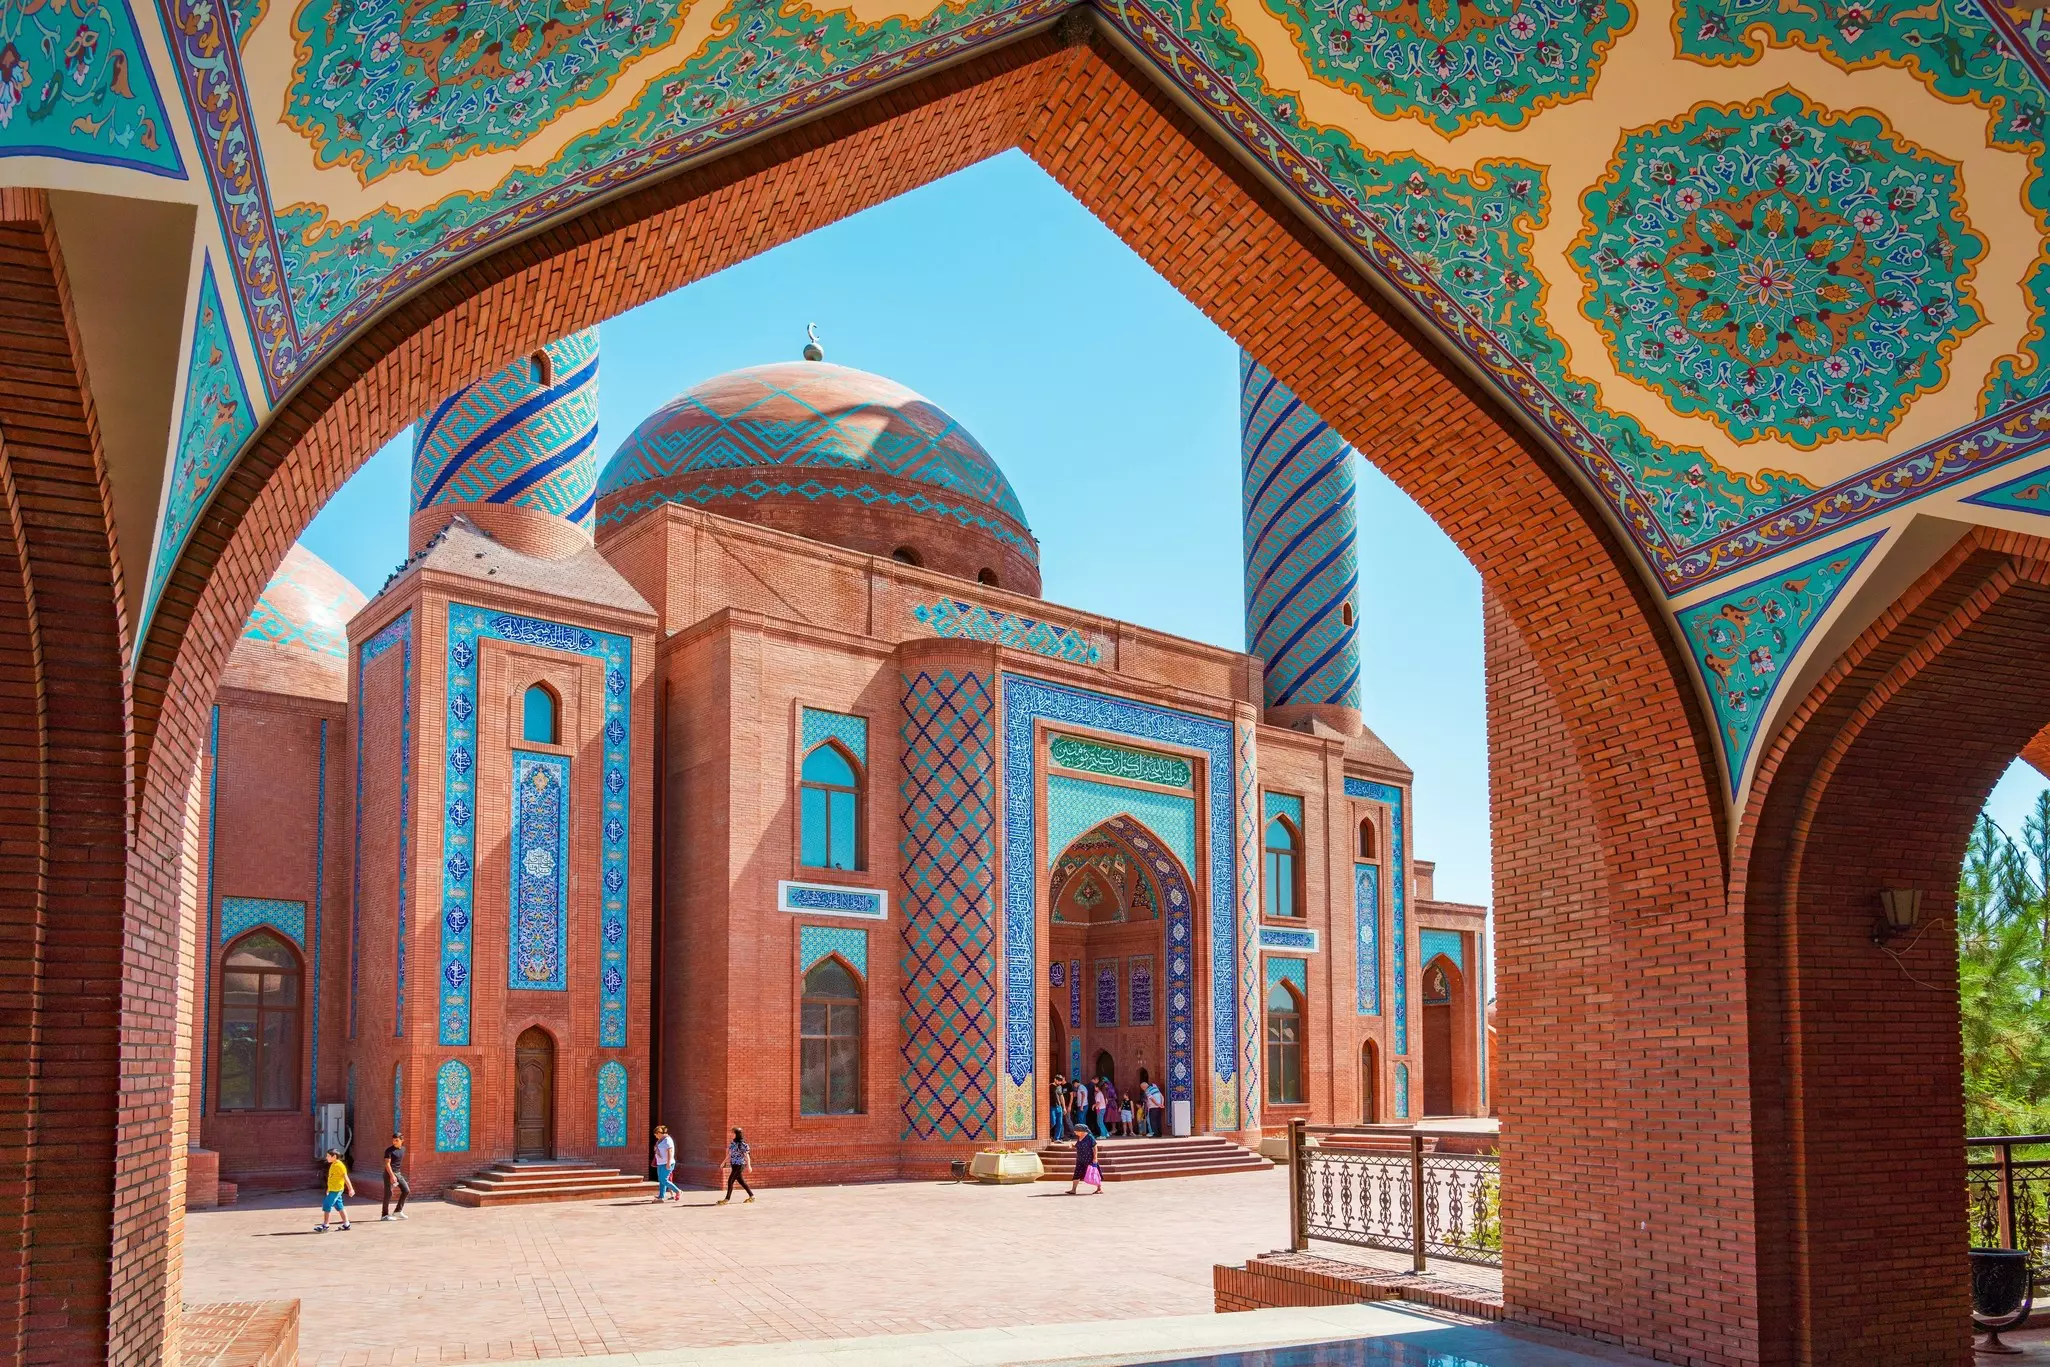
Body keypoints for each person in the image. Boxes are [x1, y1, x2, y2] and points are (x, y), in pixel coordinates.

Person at [314, 1148, 354, 1232]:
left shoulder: (339, 1165)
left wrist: (351, 1189)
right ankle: (347, 1224)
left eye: (328, 1156)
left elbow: (345, 1177)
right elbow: (332, 1178)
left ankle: (325, 1225)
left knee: (327, 1204)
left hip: (336, 1190)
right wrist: (328, 1188)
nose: (326, 1157)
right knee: (339, 1206)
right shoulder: (333, 1164)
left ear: (334, 1156)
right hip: (333, 1189)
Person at [718, 1127, 755, 1204]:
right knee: (741, 1181)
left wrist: (749, 1166)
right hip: (734, 1165)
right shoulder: (733, 1143)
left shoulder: (743, 1144)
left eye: (733, 1133)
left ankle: (727, 1199)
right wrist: (723, 1162)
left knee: (730, 1181)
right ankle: (752, 1196)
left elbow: (746, 1156)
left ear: (737, 1134)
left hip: (740, 1165)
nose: (731, 1134)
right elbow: (730, 1154)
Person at [380, 1133, 409, 1220]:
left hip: (398, 1173)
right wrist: (392, 1176)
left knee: (406, 1190)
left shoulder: (403, 1149)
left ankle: (398, 1211)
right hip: (389, 1174)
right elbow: (387, 1164)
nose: (394, 1142)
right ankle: (384, 1215)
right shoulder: (389, 1150)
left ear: (402, 1140)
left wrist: (396, 1175)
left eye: (396, 1140)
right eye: (393, 1140)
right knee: (388, 1194)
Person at [1067, 1125, 1102, 1195]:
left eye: (1076, 1131)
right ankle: (1073, 1190)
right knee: (1077, 1173)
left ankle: (1099, 1189)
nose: (1075, 1132)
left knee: (1094, 1173)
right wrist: (1073, 1146)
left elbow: (1095, 1147)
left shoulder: (1089, 1137)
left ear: (1081, 1131)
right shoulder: (1079, 1137)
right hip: (1080, 1159)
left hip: (1089, 1159)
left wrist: (1095, 1158)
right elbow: (1078, 1146)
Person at [652, 1125, 677, 1203]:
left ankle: (678, 1191)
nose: (655, 1136)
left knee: (664, 1180)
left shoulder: (667, 1140)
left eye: (656, 1134)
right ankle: (661, 1197)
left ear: (659, 1133)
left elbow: (670, 1151)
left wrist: (669, 1162)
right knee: (661, 1180)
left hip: (666, 1162)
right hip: (660, 1163)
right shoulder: (660, 1140)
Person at [1049, 1074, 1070, 1141]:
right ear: (1055, 1079)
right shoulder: (1050, 1086)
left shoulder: (1060, 1087)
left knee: (1060, 1123)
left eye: (1061, 1081)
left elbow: (1061, 1097)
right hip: (1052, 1107)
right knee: (1053, 1122)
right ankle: (1048, 1135)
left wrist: (1064, 1107)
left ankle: (1056, 1138)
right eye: (1058, 1081)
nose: (1060, 1083)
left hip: (1059, 1107)